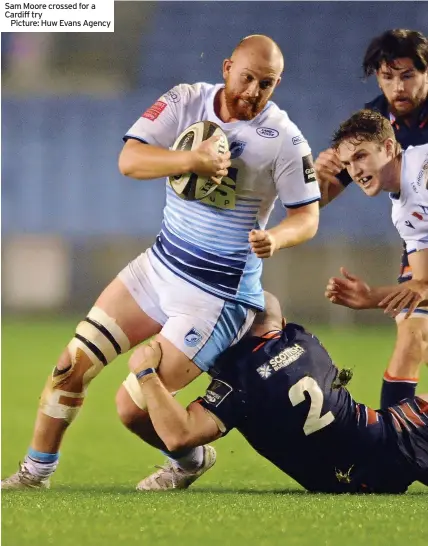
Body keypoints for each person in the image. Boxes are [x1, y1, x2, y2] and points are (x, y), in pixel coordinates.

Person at [2, 35, 320, 490]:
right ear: (228, 67)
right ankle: (35, 474)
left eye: (266, 84)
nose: (253, 91)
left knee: (132, 407)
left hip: (216, 296)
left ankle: (191, 459)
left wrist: (276, 237)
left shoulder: (284, 138)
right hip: (159, 268)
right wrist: (192, 159)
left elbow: (307, 216)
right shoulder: (186, 100)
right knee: (69, 368)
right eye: (247, 77)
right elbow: (130, 160)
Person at [126, 292, 428, 493]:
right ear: (281, 324)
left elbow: (180, 435)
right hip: (394, 439)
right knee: (411, 361)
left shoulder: (239, 382)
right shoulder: (304, 339)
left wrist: (146, 374)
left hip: (343, 483)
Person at [315, 29, 428, 409]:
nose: (397, 87)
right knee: (414, 337)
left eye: (407, 75)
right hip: (421, 224)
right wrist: (321, 175)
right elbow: (320, 198)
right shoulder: (374, 124)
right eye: (387, 76)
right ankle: (394, 442)